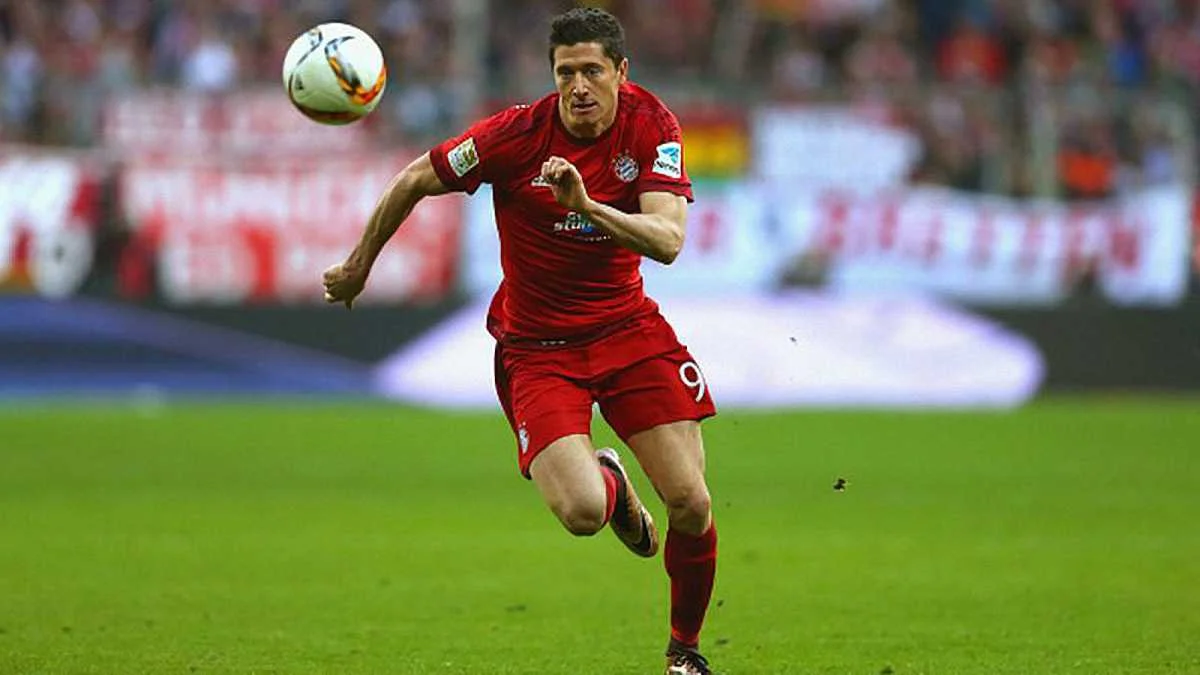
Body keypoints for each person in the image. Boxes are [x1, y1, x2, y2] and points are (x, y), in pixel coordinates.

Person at [322, 8, 718, 674]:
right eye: (566, 73)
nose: (579, 86)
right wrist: (360, 263)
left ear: (621, 72)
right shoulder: (516, 135)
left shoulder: (652, 125)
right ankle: (610, 483)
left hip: (628, 331)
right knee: (583, 513)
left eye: (592, 71)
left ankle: (684, 653)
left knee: (691, 501)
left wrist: (586, 206)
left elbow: (669, 240)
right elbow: (416, 177)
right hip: (539, 350)